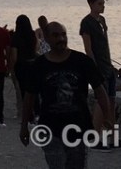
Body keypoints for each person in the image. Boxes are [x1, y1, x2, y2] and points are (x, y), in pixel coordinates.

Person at [19, 22, 112, 168]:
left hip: (78, 128)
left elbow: (100, 90)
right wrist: (24, 126)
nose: (61, 38)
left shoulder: (82, 61)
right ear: (47, 39)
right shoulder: (39, 66)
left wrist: (107, 118)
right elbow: (29, 97)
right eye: (55, 35)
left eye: (63, 34)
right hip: (50, 130)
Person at [80, 0, 116, 140]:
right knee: (102, 101)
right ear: (91, 4)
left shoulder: (101, 21)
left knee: (112, 100)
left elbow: (104, 44)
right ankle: (94, 136)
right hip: (99, 67)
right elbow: (88, 48)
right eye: (99, 4)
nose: (102, 7)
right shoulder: (86, 23)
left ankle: (112, 136)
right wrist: (94, 68)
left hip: (108, 65)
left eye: (103, 4)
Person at [8, 14, 38, 121]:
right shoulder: (33, 35)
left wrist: (10, 68)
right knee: (34, 89)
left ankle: (29, 116)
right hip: (33, 64)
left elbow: (14, 56)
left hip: (21, 66)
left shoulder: (16, 37)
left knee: (24, 91)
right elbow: (36, 50)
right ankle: (37, 112)